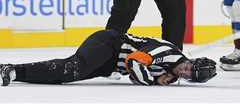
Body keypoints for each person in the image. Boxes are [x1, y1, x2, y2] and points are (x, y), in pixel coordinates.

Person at [0, 29, 217, 86]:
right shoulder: (168, 54)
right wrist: (152, 81)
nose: (184, 71)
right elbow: (133, 60)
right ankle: (13, 69)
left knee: (65, 75)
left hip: (110, 60)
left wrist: (155, 79)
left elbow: (133, 75)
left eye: (189, 75)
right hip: (108, 45)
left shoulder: (170, 73)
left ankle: (14, 70)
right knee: (74, 68)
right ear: (190, 60)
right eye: (189, 67)